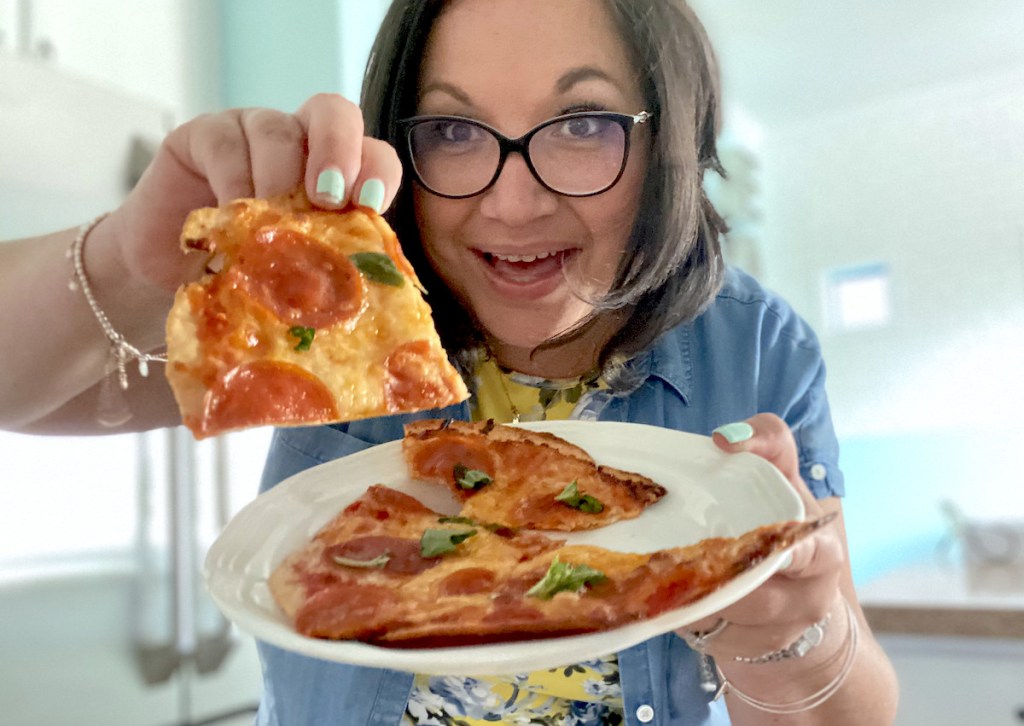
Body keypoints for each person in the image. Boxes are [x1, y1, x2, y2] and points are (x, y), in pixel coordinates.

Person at [0, 0, 900, 723]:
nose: (512, 203)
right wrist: (125, 260)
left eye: (581, 123)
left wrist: (792, 635)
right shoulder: (331, 313)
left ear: (670, 142)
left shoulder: (757, 346)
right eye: (454, 132)